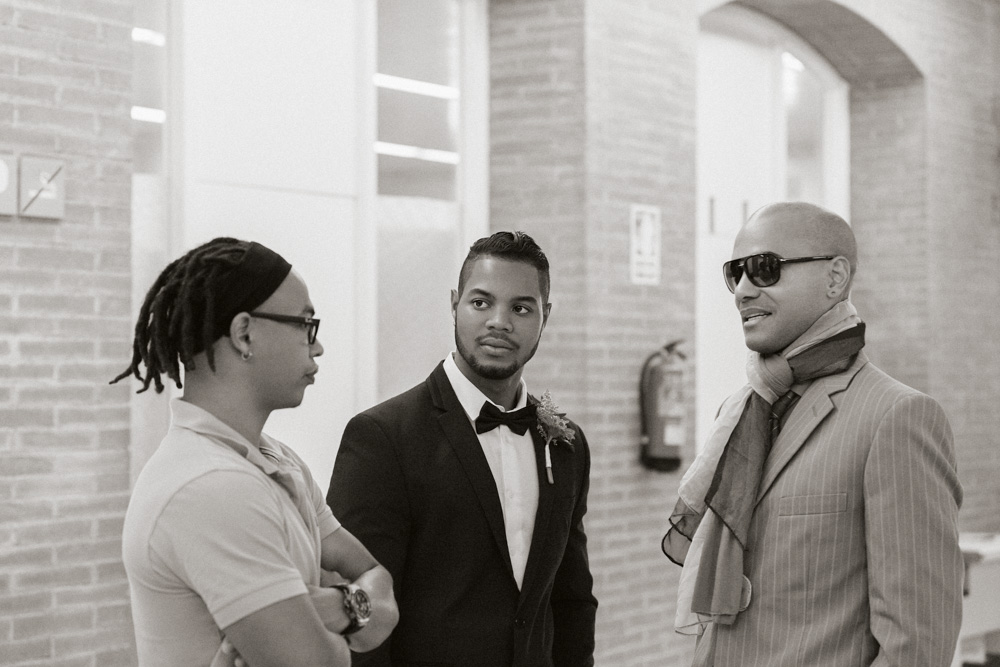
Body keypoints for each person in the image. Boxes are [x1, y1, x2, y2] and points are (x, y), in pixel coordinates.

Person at [662, 202, 963, 666]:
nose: (742, 290)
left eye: (764, 268)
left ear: (835, 277)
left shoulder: (896, 418)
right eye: (734, 273)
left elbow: (917, 645)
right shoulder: (741, 411)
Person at [114, 237, 398, 667]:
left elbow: (382, 584)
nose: (317, 345)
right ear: (244, 333)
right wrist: (352, 612)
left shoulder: (276, 459)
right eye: (305, 324)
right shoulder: (212, 486)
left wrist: (337, 605)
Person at [328, 231, 598, 666]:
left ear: (545, 316)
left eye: (521, 308)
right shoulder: (382, 437)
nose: (499, 321)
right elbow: (360, 610)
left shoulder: (566, 444)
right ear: (454, 303)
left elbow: (572, 600)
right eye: (481, 302)